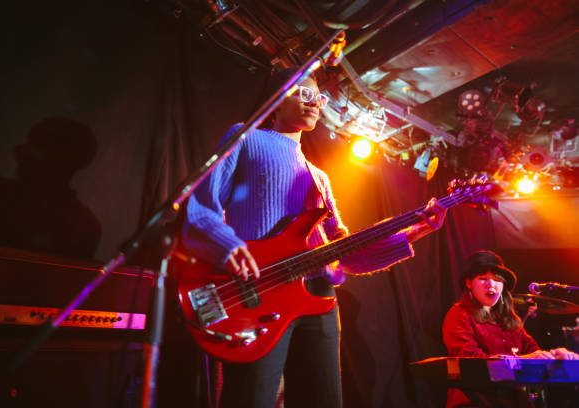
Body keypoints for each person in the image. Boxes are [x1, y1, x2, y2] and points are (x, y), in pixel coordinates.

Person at [182, 67, 447, 408]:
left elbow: (346, 254)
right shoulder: (247, 137)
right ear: (275, 103)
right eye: (303, 94)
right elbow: (202, 203)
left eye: (319, 97)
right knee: (250, 397)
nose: (315, 103)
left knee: (321, 399)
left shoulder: (319, 178)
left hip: (317, 296)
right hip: (259, 292)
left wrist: (418, 229)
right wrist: (227, 244)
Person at [442, 250, 579, 408]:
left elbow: (534, 351)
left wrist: (556, 355)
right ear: (468, 283)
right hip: (473, 401)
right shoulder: (459, 314)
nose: (491, 284)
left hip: (512, 400)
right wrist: (526, 359)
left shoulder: (509, 319)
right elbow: (471, 364)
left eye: (497, 280)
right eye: (483, 279)